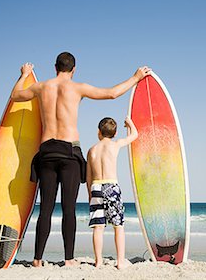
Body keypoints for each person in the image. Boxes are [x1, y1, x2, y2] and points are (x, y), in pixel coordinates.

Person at [10, 52, 151, 267]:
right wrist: (136, 77)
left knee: (46, 208)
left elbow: (15, 95)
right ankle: (68, 260)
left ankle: (37, 260)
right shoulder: (78, 88)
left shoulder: (41, 88)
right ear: (74, 69)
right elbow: (112, 94)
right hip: (69, 154)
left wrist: (24, 74)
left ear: (55, 67)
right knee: (69, 208)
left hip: (47, 152)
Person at [87, 117, 138, 269]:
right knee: (118, 225)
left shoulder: (92, 150)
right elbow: (134, 135)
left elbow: (88, 176)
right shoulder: (115, 144)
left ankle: (98, 261)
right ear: (115, 134)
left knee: (98, 227)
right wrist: (129, 123)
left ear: (98, 132)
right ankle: (120, 262)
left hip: (96, 187)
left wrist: (90, 193)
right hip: (111, 186)